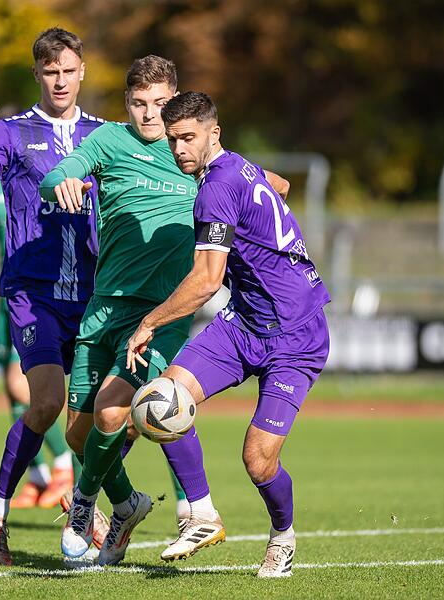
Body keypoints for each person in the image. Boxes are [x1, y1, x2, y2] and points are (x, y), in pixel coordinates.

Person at [41, 57, 292, 566]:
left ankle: (85, 506)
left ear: (174, 102)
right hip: (104, 306)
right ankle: (128, 505)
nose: (149, 114)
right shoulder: (110, 142)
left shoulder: (192, 156)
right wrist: (62, 183)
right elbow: (57, 176)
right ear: (127, 103)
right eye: (138, 103)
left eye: (159, 103)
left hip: (163, 314)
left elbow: (275, 185)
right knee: (78, 435)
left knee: (113, 411)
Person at [126, 91, 330, 578]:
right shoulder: (238, 167)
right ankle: (201, 514)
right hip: (246, 323)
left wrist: (149, 322)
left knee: (258, 460)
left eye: (188, 138)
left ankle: (283, 536)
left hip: (295, 334)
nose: (179, 149)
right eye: (173, 140)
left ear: (213, 133)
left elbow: (206, 281)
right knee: (163, 398)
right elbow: (279, 185)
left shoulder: (215, 188)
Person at [0, 27, 108, 566]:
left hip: (91, 295)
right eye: (50, 71)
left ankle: (86, 507)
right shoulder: (10, 133)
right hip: (32, 294)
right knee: (45, 403)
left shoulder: (105, 134)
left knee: (95, 415)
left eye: (68, 70)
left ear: (82, 71)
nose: (60, 81)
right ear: (36, 73)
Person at [0, 181, 74, 509]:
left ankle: (64, 464)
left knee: (23, 389)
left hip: (42, 300)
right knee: (13, 393)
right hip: (9, 300)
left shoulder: (45, 178)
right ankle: (38, 476)